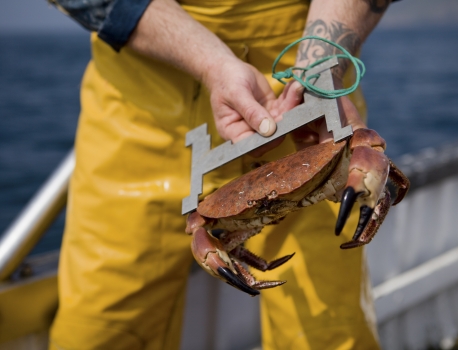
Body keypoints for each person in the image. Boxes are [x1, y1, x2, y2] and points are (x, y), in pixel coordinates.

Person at [47, 0, 398, 348]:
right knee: (99, 330)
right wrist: (211, 62)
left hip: (305, 101)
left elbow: (369, 151)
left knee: (331, 333)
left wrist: (320, 71)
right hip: (138, 108)